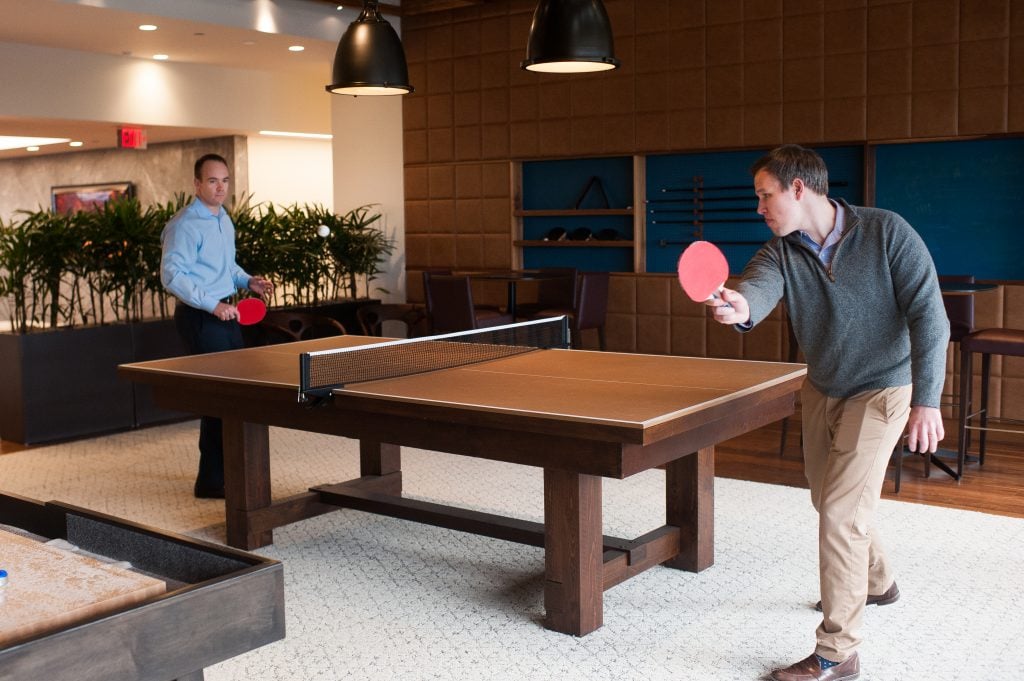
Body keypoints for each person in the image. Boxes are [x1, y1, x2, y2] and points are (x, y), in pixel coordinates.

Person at [706, 145, 949, 681]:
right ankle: (879, 581)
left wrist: (927, 400)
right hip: (823, 387)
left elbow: (930, 315)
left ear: (798, 188)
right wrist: (739, 306)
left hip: (883, 388)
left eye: (765, 195)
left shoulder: (887, 231)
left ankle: (837, 652)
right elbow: (756, 292)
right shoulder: (779, 253)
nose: (759, 207)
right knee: (828, 494)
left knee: (840, 510)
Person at [161, 153, 273, 499]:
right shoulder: (184, 225)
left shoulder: (224, 219)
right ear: (197, 185)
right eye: (212, 181)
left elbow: (227, 266)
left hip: (227, 314)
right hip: (200, 318)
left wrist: (248, 281)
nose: (220, 187)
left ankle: (224, 476)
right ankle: (211, 480)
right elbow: (172, 276)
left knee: (232, 396)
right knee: (219, 398)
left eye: (224, 180)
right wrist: (213, 305)